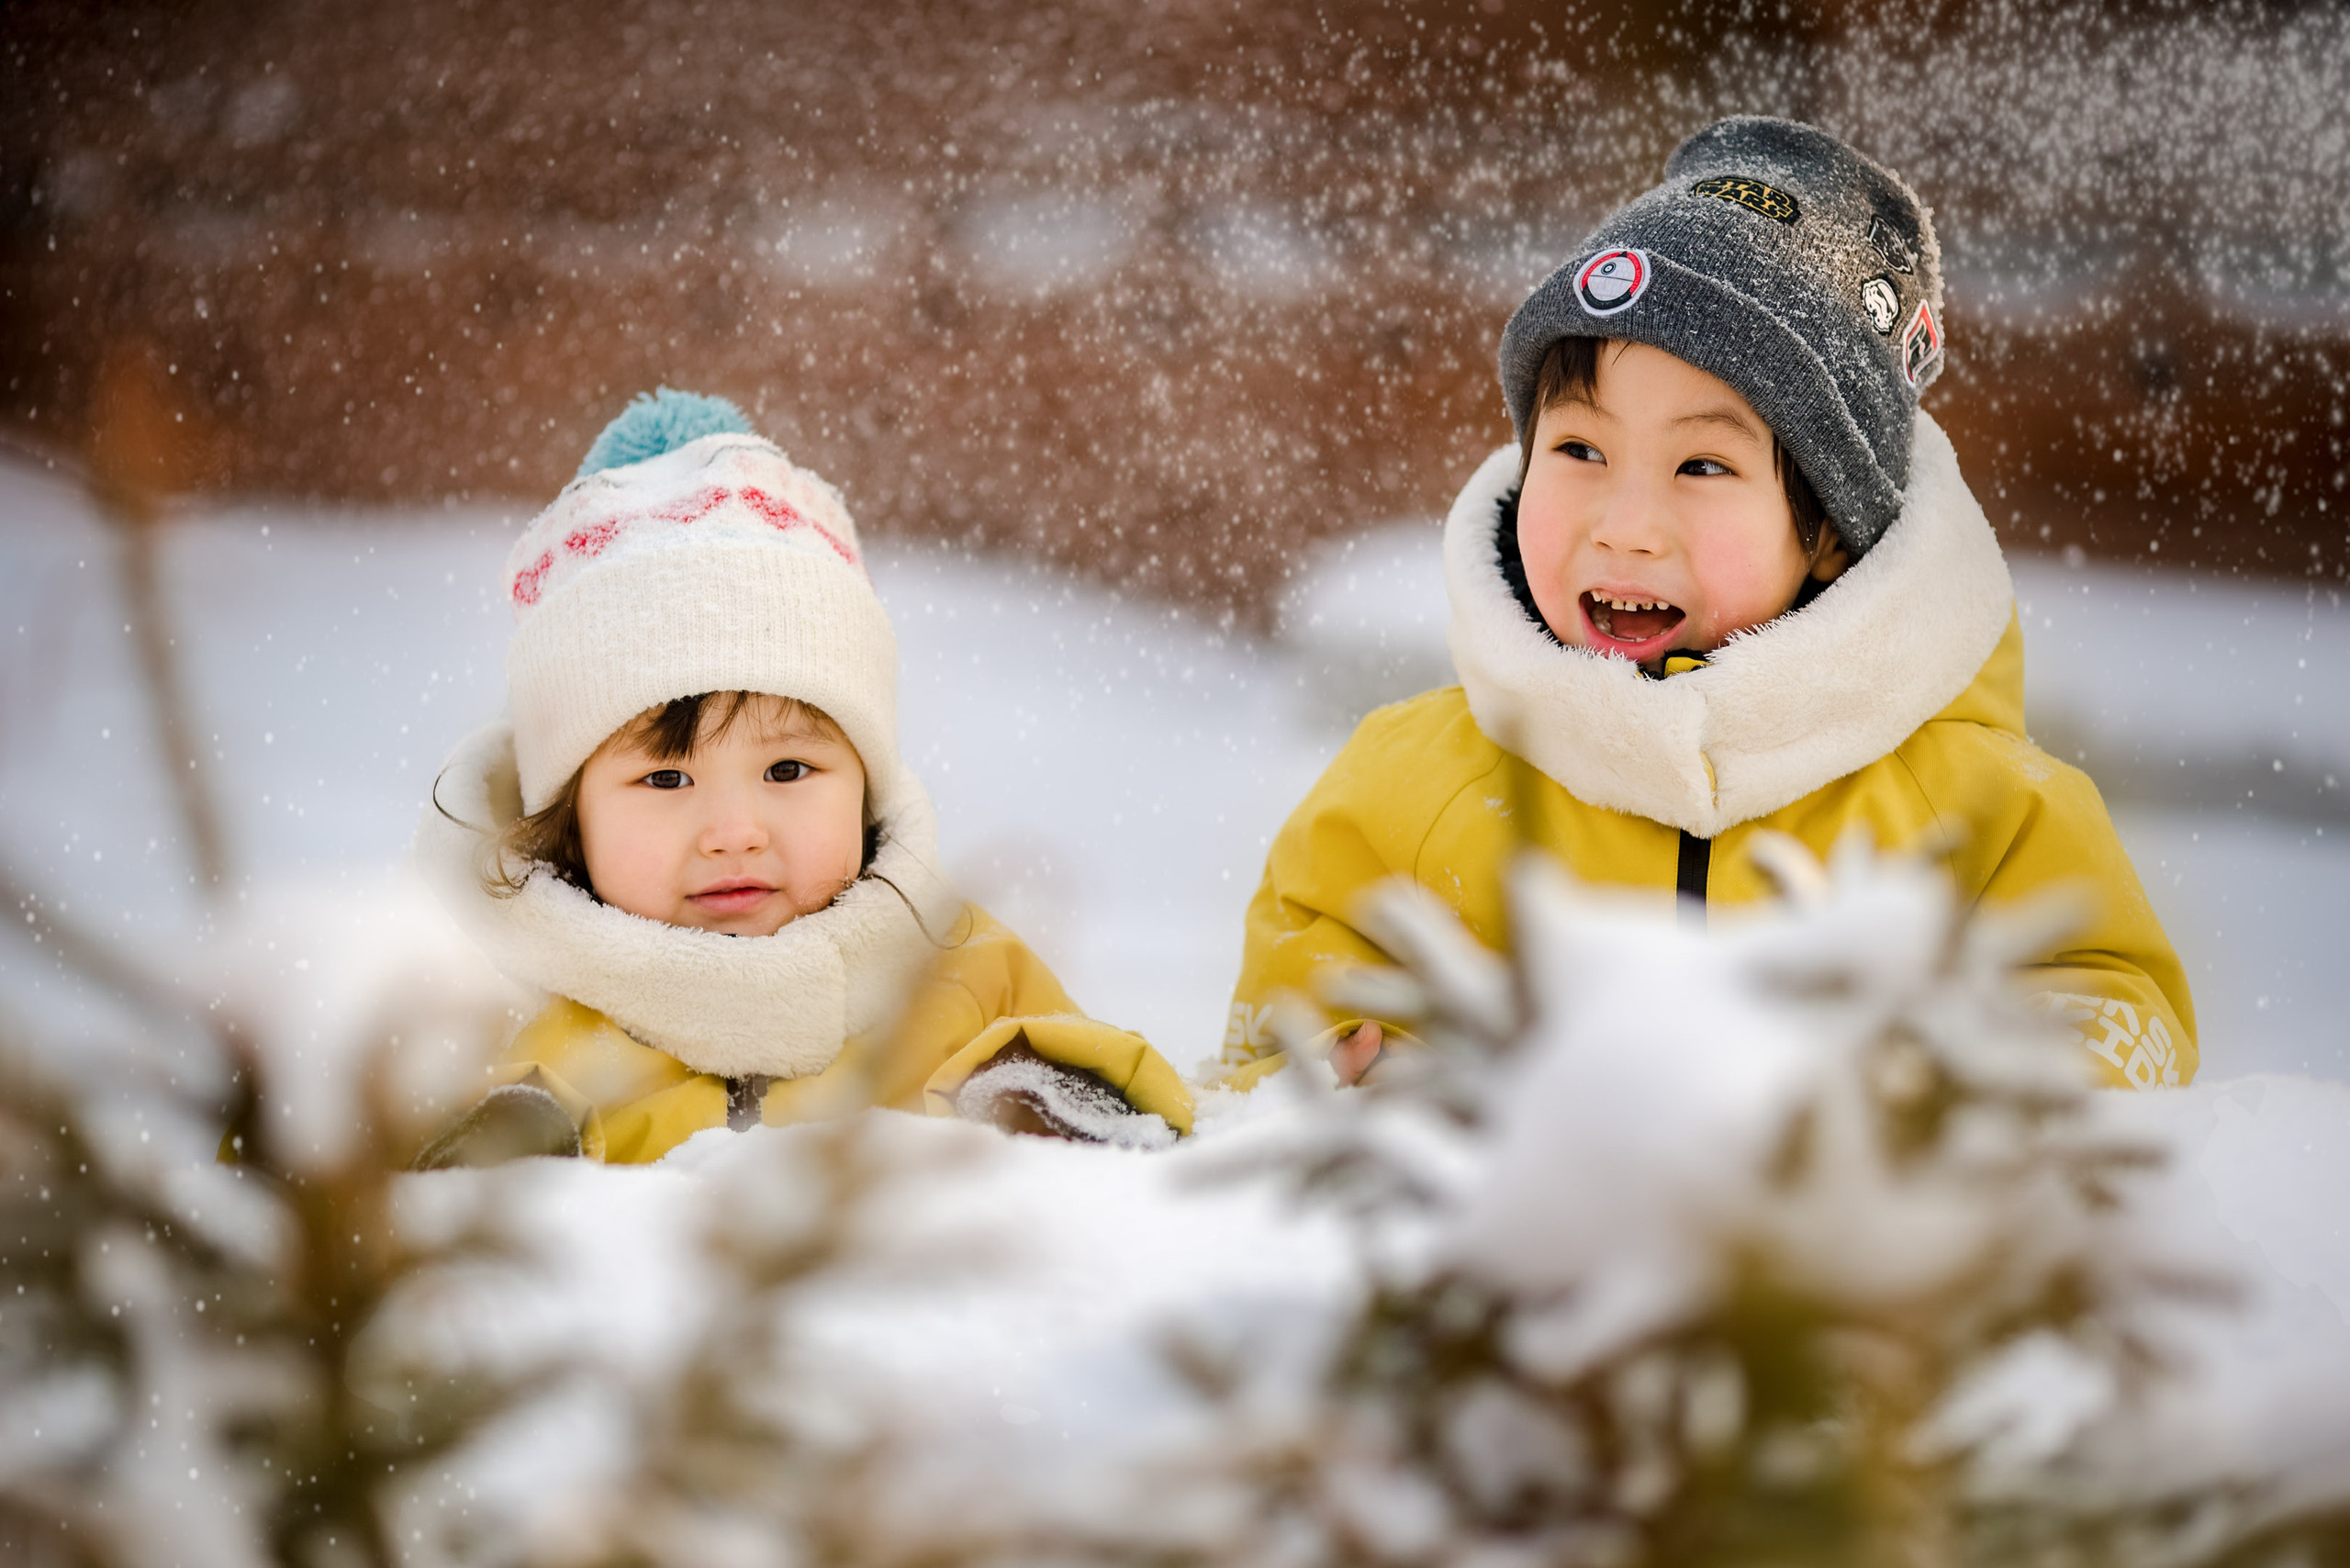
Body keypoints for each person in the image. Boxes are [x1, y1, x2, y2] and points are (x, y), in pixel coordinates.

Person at [1222, 117, 2194, 1093]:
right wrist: (1354, 1072)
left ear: (1825, 530)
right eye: (1579, 450)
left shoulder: (1975, 810)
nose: (1627, 525)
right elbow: (1277, 1035)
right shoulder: (1411, 789)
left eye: (1701, 464)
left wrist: (1950, 1101)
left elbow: (2114, 1007)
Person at [415, 390, 1192, 1166]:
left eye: (786, 769)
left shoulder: (961, 973)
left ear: (864, 786)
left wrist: (1041, 1099)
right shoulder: (550, 1033)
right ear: (571, 818)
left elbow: (1131, 1111)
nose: (734, 834)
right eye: (665, 780)